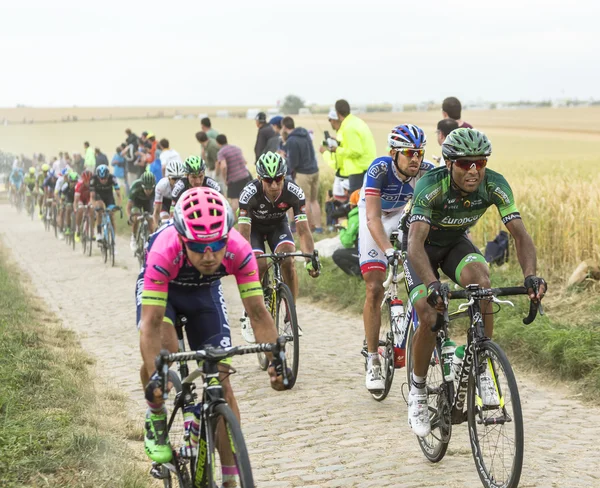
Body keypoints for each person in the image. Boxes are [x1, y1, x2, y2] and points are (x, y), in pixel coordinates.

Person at [404, 128, 547, 437]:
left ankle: (481, 364)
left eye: (480, 163)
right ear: (449, 163)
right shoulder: (431, 186)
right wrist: (431, 283)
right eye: (465, 163)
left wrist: (530, 276)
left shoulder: (494, 184)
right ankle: (416, 391)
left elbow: (520, 235)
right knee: (430, 315)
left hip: (455, 245)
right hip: (422, 252)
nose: (474, 171)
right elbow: (415, 245)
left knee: (482, 285)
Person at [137, 187, 288, 470]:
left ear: (226, 238)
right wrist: (157, 375)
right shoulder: (164, 249)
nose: (208, 256)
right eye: (197, 246)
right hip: (166, 293)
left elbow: (257, 312)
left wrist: (276, 360)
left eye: (216, 245)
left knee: (221, 379)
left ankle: (232, 476)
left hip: (203, 294)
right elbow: (150, 324)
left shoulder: (238, 249)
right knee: (166, 353)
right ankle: (156, 415)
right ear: (182, 239)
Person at [359, 124, 434, 392]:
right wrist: (388, 251)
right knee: (374, 286)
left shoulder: (428, 171)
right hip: (376, 216)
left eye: (419, 153)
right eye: (408, 153)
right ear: (393, 153)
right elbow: (372, 218)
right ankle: (372, 358)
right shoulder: (379, 169)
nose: (416, 159)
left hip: (402, 216)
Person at [237, 152, 319, 342]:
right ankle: (249, 313)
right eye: (268, 180)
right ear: (259, 178)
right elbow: (243, 236)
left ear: (284, 176)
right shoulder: (249, 194)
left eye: (278, 179)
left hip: (277, 227)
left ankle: (291, 317)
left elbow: (304, 232)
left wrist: (309, 261)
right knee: (259, 264)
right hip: (254, 230)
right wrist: (244, 263)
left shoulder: (293, 191)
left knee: (288, 260)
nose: (274, 185)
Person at [281, 116, 323, 233]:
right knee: (314, 201)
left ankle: (309, 228)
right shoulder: (305, 134)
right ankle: (318, 227)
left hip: (303, 173)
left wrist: (285, 159)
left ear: (284, 127)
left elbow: (294, 162)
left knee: (306, 201)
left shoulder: (291, 140)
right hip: (315, 170)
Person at [331, 99, 376, 194]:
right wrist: (339, 142)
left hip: (358, 170)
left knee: (357, 204)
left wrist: (337, 149)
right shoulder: (357, 122)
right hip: (367, 167)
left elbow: (356, 151)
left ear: (337, 113)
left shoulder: (348, 128)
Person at [216, 134, 252, 214]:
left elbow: (224, 166)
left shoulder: (221, 152)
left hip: (233, 179)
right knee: (247, 198)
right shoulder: (236, 148)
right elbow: (244, 161)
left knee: (234, 203)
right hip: (245, 176)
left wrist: (225, 178)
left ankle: (233, 221)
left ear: (218, 143)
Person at [320, 109, 350, 203]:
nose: (330, 122)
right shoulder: (344, 133)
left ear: (334, 120)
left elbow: (336, 163)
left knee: (339, 206)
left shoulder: (342, 134)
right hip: (347, 175)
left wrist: (325, 152)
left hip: (343, 176)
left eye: (329, 119)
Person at [332, 189, 361, 277]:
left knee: (337, 255)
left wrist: (342, 227)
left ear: (352, 205)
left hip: (367, 254)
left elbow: (347, 243)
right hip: (385, 255)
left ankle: (359, 276)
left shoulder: (356, 217)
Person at [90, 164, 122, 241]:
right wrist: (94, 206)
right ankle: (99, 233)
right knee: (100, 210)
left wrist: (119, 206)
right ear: (98, 177)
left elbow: (118, 194)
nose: (103, 180)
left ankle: (113, 240)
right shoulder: (93, 179)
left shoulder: (112, 178)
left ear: (108, 176)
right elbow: (92, 196)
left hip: (109, 196)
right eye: (101, 178)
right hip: (99, 196)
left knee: (111, 215)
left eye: (105, 178)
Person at [127, 171, 157, 251]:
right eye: (146, 188)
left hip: (148, 203)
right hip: (137, 202)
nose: (148, 191)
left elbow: (158, 206)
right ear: (142, 185)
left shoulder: (157, 188)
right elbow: (129, 206)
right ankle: (133, 237)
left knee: (150, 220)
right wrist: (130, 216)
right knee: (136, 217)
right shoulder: (136, 186)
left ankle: (152, 241)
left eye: (150, 188)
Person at [153, 158, 186, 228]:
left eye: (179, 178)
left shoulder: (185, 184)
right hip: (164, 204)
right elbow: (156, 211)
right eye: (174, 178)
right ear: (168, 177)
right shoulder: (161, 185)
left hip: (177, 203)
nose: (177, 182)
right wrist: (155, 228)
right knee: (167, 223)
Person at [74, 170, 93, 242]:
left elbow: (93, 197)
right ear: (83, 180)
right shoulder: (79, 185)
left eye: (89, 180)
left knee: (92, 209)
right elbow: (76, 200)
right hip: (80, 199)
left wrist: (91, 204)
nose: (88, 183)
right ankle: (77, 229)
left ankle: (92, 232)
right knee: (80, 210)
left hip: (88, 199)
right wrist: (76, 209)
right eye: (86, 181)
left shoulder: (93, 184)